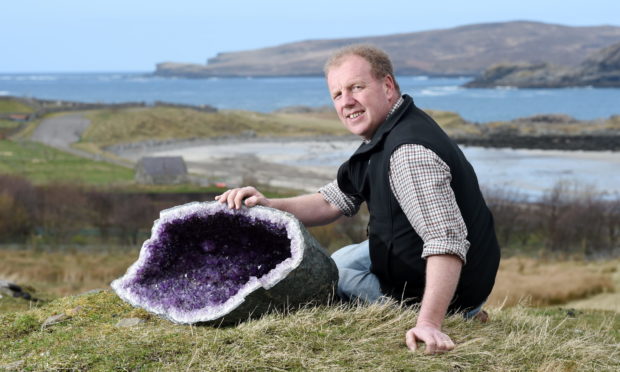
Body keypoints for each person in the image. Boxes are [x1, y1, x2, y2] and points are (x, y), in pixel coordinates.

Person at [216, 45, 500, 355]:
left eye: (356, 87)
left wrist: (430, 323)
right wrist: (268, 204)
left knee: (324, 281)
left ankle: (465, 313)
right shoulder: (388, 131)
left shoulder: (407, 154)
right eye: (337, 94)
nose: (346, 101)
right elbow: (330, 202)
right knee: (333, 262)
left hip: (449, 284)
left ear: (387, 86)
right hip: (424, 256)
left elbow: (446, 241)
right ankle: (466, 307)